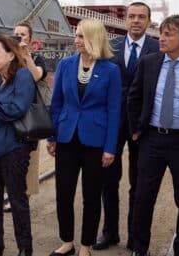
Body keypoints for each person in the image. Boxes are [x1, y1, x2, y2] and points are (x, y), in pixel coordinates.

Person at [127, 15, 179, 256]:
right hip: (151, 139)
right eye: (161, 33)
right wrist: (135, 131)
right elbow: (133, 97)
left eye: (168, 34)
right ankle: (139, 248)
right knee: (143, 196)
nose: (161, 38)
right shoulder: (149, 62)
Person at [47, 19, 121, 256]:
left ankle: (86, 245)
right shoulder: (66, 64)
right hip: (67, 138)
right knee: (64, 193)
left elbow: (114, 111)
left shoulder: (111, 70)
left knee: (91, 195)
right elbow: (56, 103)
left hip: (95, 142)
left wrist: (110, 148)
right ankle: (67, 241)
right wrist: (52, 136)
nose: (75, 40)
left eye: (80, 36)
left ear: (93, 38)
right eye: (76, 35)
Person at [95, 2, 159, 251]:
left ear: (149, 21)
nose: (135, 21)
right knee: (108, 180)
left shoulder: (157, 49)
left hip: (143, 125)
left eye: (141, 17)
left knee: (139, 182)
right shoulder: (111, 47)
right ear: (125, 21)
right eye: (131, 16)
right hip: (113, 122)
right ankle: (110, 233)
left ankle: (135, 236)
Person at [0, 34, 36, 256]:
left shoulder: (22, 76)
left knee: (18, 200)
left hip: (12, 148)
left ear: (11, 54)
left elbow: (18, 107)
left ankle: (24, 248)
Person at [3, 21, 48, 212]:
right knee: (8, 154)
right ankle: (11, 194)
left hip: (30, 115)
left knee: (29, 154)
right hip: (12, 111)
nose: (19, 37)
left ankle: (24, 196)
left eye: (23, 34)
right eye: (16, 34)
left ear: (30, 38)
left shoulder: (36, 58)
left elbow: (36, 76)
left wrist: (26, 55)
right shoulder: (8, 57)